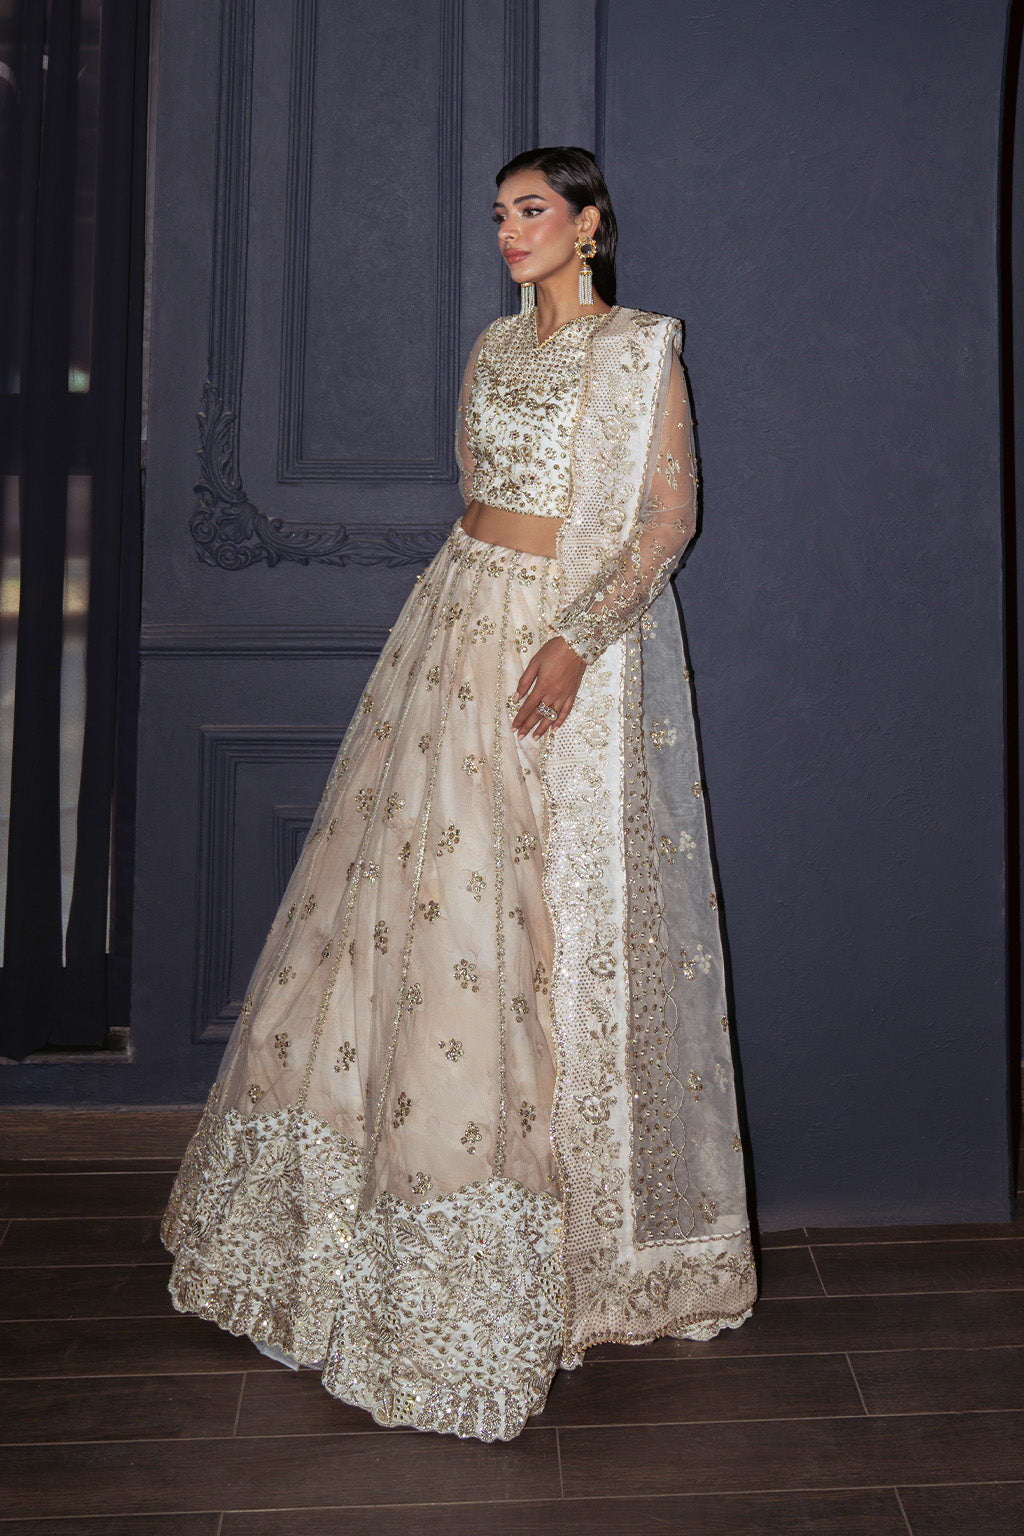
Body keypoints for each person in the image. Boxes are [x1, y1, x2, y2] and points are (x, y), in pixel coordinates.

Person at [161, 145, 757, 1442]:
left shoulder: (640, 348)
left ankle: (568, 1259)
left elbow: (666, 521)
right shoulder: (492, 349)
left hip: (557, 637)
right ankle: (362, 1233)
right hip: (454, 625)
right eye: (498, 214)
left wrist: (575, 637)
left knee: (532, 925)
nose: (508, 231)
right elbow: (475, 497)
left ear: (589, 225)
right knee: (417, 914)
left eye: (532, 211)